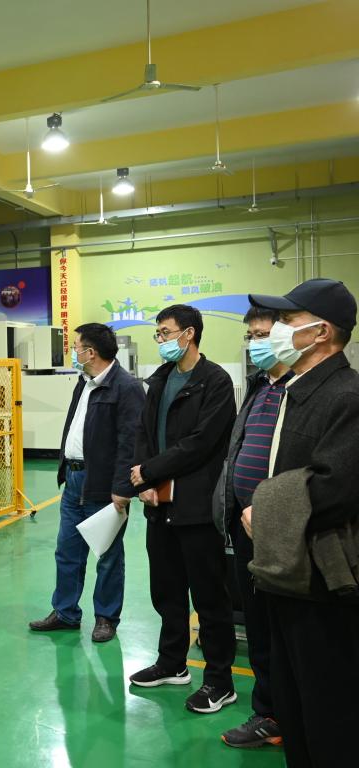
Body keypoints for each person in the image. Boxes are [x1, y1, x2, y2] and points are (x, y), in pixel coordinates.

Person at [244, 279, 359, 766]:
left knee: (327, 708)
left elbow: (335, 487)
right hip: (286, 572)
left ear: (322, 332)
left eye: (288, 321)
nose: (276, 330)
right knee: (293, 703)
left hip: (321, 580)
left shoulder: (346, 395)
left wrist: (263, 508)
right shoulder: (298, 389)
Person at [128, 305, 238, 714]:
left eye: (164, 332)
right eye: (158, 334)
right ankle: (172, 664)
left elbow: (200, 443)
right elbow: (143, 433)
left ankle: (220, 681)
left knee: (209, 597)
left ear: (188, 334)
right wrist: (144, 480)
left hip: (196, 506)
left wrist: (150, 471)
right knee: (167, 591)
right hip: (159, 505)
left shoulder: (215, 382)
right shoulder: (159, 379)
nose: (160, 340)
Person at [30, 323, 145, 642]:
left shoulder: (126, 387)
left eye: (77, 347)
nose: (74, 351)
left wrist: (122, 488)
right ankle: (65, 612)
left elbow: (130, 442)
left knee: (107, 555)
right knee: (67, 550)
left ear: (91, 352)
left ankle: (106, 617)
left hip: (104, 484)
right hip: (74, 480)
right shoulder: (84, 383)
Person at [211, 307, 291, 749]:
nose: (255, 343)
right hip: (245, 527)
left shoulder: (303, 390)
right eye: (251, 336)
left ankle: (288, 713)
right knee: (259, 626)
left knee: (285, 629)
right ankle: (268, 713)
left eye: (263, 334)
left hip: (283, 529)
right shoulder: (260, 385)